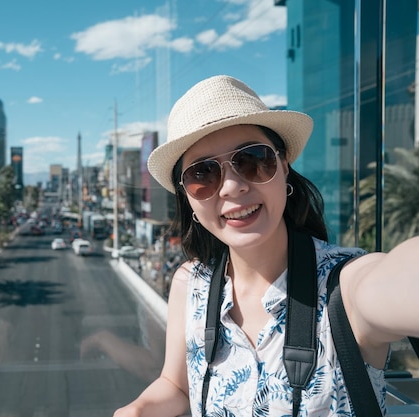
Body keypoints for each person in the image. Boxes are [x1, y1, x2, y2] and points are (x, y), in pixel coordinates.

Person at [113, 75, 419, 416]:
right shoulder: (191, 284)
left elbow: (402, 278)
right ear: (188, 199)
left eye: (253, 160)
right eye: (203, 174)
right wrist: (137, 410)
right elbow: (177, 385)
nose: (231, 186)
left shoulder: (342, 288)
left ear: (284, 166)